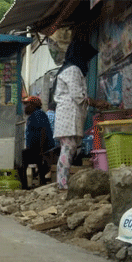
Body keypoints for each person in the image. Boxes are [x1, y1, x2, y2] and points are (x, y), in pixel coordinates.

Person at [52, 40, 110, 190]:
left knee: (69, 148)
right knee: (68, 148)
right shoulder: (72, 70)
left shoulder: (70, 69)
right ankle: (62, 182)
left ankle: (62, 181)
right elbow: (78, 96)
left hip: (69, 115)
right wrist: (97, 103)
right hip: (68, 115)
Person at [19, 96, 54, 189]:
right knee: (30, 160)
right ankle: (39, 182)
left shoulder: (38, 114)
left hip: (40, 148)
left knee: (22, 160)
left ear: (33, 105)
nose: (25, 107)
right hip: (36, 148)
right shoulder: (34, 115)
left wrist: (41, 150)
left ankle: (25, 186)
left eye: (27, 104)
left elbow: (43, 131)